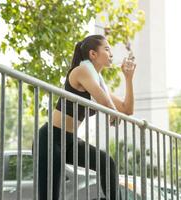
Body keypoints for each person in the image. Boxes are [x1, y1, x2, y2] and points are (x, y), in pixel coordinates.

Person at [38, 34, 136, 200]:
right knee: (49, 196)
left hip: (70, 140)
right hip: (50, 139)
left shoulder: (98, 83)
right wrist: (112, 112)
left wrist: (128, 78)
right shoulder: (81, 71)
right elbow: (105, 101)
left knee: (106, 163)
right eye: (107, 49)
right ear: (93, 54)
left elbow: (127, 109)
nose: (111, 54)